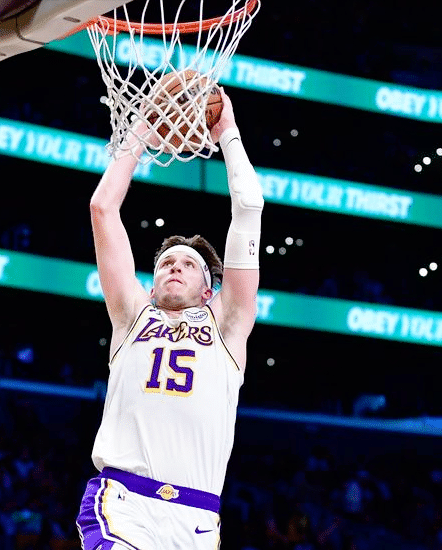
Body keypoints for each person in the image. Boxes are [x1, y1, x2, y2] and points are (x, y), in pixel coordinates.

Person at [76, 88, 264, 549]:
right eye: (165, 264)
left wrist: (228, 131)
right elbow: (102, 208)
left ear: (209, 291)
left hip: (197, 519)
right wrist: (141, 127)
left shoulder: (228, 326)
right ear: (151, 284)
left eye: (187, 264)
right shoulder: (132, 315)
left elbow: (249, 208)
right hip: (123, 502)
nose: (174, 267)